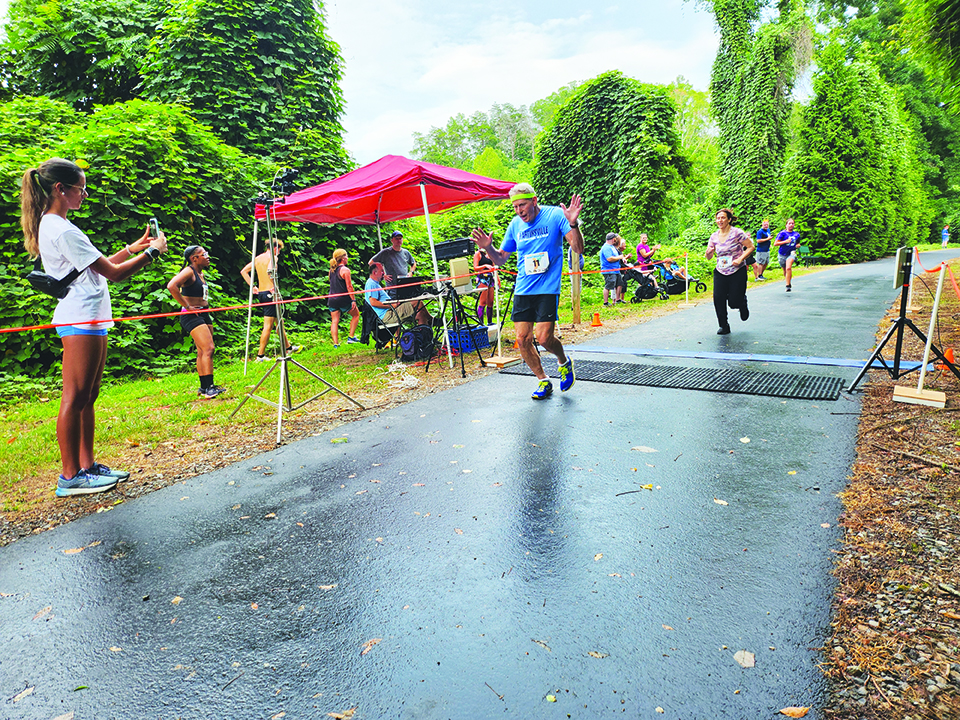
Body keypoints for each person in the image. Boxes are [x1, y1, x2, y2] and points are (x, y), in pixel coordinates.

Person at [20, 158, 168, 497]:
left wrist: (135, 248)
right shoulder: (60, 228)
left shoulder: (60, 226)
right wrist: (153, 255)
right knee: (74, 397)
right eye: (80, 188)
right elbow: (114, 274)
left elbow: (96, 267)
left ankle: (87, 466)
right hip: (80, 318)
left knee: (89, 396)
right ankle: (70, 477)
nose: (84, 194)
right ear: (61, 189)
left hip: (92, 316)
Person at [471, 182, 583, 400]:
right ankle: (543, 380)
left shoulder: (555, 216)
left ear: (534, 201)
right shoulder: (515, 225)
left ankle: (563, 361)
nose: (519, 211)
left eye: (522, 205)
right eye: (515, 207)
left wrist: (573, 224)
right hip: (524, 288)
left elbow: (578, 249)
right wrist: (487, 248)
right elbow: (501, 259)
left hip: (548, 288)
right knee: (522, 339)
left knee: (543, 339)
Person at [167, 246, 226, 399]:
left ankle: (204, 386)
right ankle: (209, 388)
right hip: (191, 315)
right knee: (209, 348)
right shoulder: (189, 271)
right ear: (194, 258)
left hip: (204, 313)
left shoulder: (200, 273)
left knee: (202, 350)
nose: (208, 256)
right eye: (204, 254)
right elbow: (171, 286)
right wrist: (187, 306)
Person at [241, 239, 299, 360]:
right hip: (270, 293)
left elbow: (244, 271)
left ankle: (288, 348)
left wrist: (253, 287)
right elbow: (270, 270)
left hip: (262, 292)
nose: (279, 253)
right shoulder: (273, 257)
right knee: (268, 325)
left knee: (279, 322)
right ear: (275, 248)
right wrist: (274, 287)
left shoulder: (258, 258)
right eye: (279, 250)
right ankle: (260, 355)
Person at [705, 208, 754, 335]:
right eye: (718, 218)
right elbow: (709, 256)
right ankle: (724, 325)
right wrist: (708, 253)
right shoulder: (714, 236)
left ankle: (742, 302)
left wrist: (740, 258)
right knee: (718, 298)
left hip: (737, 270)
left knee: (734, 302)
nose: (719, 220)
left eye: (723, 218)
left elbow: (750, 247)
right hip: (720, 271)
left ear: (729, 219)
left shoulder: (737, 233)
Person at [365, 262, 432, 326]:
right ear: (375, 272)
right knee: (418, 302)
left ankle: (424, 335)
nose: (384, 273)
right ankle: (432, 320)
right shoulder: (371, 284)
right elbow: (373, 303)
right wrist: (391, 305)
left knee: (421, 314)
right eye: (382, 271)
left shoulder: (375, 283)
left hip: (391, 311)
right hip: (387, 315)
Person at [327, 248, 360, 348]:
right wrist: (353, 300)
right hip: (343, 298)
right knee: (356, 315)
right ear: (343, 258)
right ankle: (351, 337)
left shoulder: (331, 270)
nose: (348, 258)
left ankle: (336, 344)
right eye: (347, 256)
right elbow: (349, 286)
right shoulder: (345, 270)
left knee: (334, 321)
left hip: (332, 299)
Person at [369, 230, 417, 295]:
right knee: (393, 305)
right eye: (396, 239)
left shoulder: (406, 252)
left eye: (400, 238)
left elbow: (413, 263)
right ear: (392, 240)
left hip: (404, 286)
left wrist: (411, 272)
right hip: (392, 289)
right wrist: (383, 275)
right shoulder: (386, 252)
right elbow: (371, 262)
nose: (399, 240)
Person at [773, 218, 801, 292]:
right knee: (785, 270)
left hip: (791, 253)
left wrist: (798, 245)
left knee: (788, 268)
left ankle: (787, 285)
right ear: (786, 225)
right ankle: (788, 281)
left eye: (792, 223)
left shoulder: (796, 234)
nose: (791, 225)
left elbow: (797, 243)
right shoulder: (782, 233)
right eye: (789, 223)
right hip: (782, 254)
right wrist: (785, 241)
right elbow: (775, 243)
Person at [600, 232, 626, 306]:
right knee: (609, 285)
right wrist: (619, 257)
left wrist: (622, 258)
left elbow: (616, 255)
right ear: (613, 239)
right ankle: (605, 302)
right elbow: (609, 259)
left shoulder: (612, 247)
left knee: (620, 283)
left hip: (616, 270)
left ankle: (618, 299)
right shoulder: (606, 247)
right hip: (609, 270)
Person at [474, 245, 496, 325]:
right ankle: (481, 323)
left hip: (490, 278)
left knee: (490, 301)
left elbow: (494, 267)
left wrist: (497, 279)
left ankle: (489, 322)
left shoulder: (490, 254)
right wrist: (485, 266)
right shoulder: (478, 254)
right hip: (482, 278)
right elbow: (475, 267)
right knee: (483, 302)